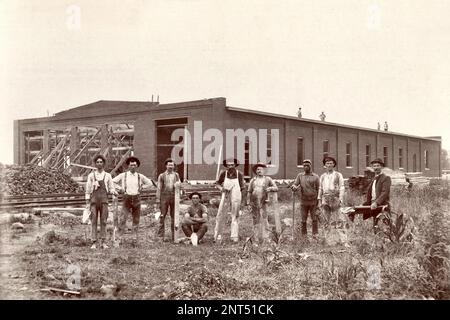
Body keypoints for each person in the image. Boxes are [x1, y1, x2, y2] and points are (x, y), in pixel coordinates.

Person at [112, 156, 154, 245]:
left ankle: (134, 240)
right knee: (123, 219)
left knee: (136, 220)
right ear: (128, 166)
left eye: (134, 165)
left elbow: (150, 183)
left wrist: (143, 187)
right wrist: (120, 188)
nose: (133, 167)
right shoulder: (123, 175)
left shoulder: (140, 176)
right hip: (126, 198)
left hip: (137, 199)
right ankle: (119, 239)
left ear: (137, 166)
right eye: (131, 165)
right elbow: (113, 182)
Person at [85, 155, 117, 249]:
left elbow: (111, 188)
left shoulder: (108, 176)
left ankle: (103, 242)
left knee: (103, 221)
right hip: (94, 201)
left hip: (104, 201)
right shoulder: (91, 176)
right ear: (95, 163)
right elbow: (88, 190)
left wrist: (114, 192)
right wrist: (87, 202)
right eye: (97, 162)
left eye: (101, 162)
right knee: (93, 221)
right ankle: (94, 242)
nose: (99, 163)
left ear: (103, 163)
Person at [318, 156, 348, 246]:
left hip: (335, 199)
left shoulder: (338, 175)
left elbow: (342, 187)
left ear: (334, 164)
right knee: (325, 220)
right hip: (325, 199)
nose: (329, 165)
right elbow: (320, 188)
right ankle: (327, 241)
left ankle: (344, 241)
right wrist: (319, 200)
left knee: (339, 220)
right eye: (327, 163)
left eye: (331, 163)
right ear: (324, 165)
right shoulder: (323, 176)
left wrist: (340, 199)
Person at [214, 158, 245, 243]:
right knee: (220, 214)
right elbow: (217, 183)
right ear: (226, 166)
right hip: (226, 195)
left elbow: (242, 188)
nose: (230, 166)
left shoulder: (240, 174)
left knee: (235, 215)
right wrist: (221, 189)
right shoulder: (224, 173)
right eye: (228, 165)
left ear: (235, 165)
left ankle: (234, 236)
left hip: (236, 196)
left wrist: (243, 202)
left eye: (232, 165)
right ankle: (217, 235)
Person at [246, 162, 278, 243]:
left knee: (264, 219)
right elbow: (249, 192)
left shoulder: (268, 179)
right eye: (257, 169)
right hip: (254, 202)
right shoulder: (253, 180)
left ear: (264, 170)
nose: (259, 171)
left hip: (264, 202)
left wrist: (270, 189)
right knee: (255, 220)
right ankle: (256, 238)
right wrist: (248, 203)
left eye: (260, 169)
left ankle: (266, 238)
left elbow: (276, 188)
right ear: (255, 171)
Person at [291, 159, 320, 238]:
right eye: (304, 165)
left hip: (313, 201)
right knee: (303, 219)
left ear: (311, 166)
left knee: (314, 219)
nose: (306, 167)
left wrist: (318, 201)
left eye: (307, 165)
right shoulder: (300, 176)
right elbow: (295, 184)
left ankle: (315, 235)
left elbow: (319, 189)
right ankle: (304, 236)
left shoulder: (315, 177)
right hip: (304, 201)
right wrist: (294, 187)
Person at [363, 158, 391, 233]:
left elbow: (385, 192)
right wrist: (368, 202)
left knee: (384, 222)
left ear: (382, 167)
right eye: (374, 166)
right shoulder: (374, 178)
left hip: (382, 204)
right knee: (375, 223)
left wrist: (376, 202)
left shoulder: (386, 178)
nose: (376, 168)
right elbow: (371, 192)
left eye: (378, 165)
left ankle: (388, 238)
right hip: (373, 203)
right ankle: (377, 238)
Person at [155, 158, 181, 241]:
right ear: (166, 166)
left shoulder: (176, 175)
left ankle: (174, 237)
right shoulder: (162, 175)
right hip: (164, 197)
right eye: (169, 165)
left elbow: (179, 185)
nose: (170, 166)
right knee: (162, 216)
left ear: (174, 166)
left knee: (174, 216)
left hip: (174, 197)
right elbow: (159, 188)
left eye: (172, 165)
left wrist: (179, 189)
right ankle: (160, 237)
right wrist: (158, 199)